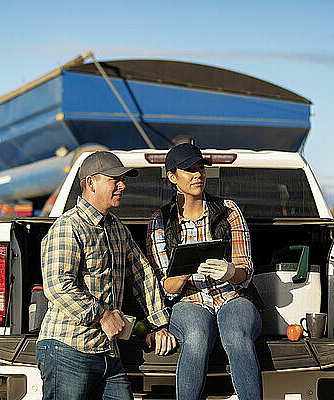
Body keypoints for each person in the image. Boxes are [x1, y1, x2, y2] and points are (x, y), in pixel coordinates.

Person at [37, 151, 177, 400]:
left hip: (107, 353)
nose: (122, 185)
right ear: (90, 183)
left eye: (123, 179)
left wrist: (158, 325)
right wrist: (102, 315)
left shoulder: (117, 229)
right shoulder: (68, 227)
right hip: (68, 349)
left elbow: (142, 274)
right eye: (115, 179)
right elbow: (58, 285)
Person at [147, 143, 264, 400]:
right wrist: (187, 266)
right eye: (189, 170)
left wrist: (230, 272)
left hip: (233, 297)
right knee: (198, 336)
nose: (198, 174)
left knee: (236, 333)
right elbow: (166, 287)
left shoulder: (229, 210)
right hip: (189, 301)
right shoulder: (160, 221)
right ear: (172, 176)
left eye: (200, 168)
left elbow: (245, 272)